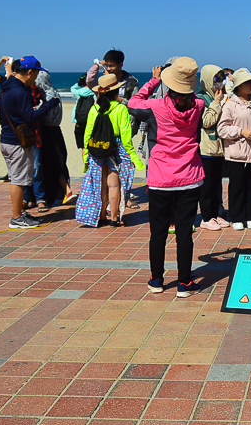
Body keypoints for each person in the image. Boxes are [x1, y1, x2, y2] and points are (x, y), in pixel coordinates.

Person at [128, 58, 204, 298]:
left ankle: (156, 279)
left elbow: (133, 103)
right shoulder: (199, 105)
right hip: (190, 176)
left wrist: (154, 80)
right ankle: (184, 283)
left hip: (161, 178)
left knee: (158, 232)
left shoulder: (155, 107)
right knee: (184, 233)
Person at [0, 56, 61, 229]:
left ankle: (19, 212)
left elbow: (1, 113)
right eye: (37, 73)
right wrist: (50, 104)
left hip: (6, 138)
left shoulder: (5, 87)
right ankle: (17, 217)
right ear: (30, 72)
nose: (37, 78)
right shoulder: (21, 91)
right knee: (18, 180)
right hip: (18, 142)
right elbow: (31, 117)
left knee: (15, 178)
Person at [76, 73, 144, 227]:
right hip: (115, 148)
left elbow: (88, 133)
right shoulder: (121, 109)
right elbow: (126, 137)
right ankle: (114, 218)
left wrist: (85, 152)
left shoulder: (95, 109)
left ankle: (101, 217)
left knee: (100, 185)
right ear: (116, 92)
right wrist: (133, 157)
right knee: (114, 185)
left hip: (96, 148)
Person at [217, 69, 251, 231]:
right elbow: (222, 129)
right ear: (239, 86)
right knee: (237, 187)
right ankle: (237, 217)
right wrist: (241, 132)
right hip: (236, 154)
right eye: (248, 83)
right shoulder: (230, 105)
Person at [196, 64, 229, 231]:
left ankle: (216, 215)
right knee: (207, 186)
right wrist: (216, 102)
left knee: (217, 185)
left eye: (221, 78)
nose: (219, 82)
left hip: (219, 148)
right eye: (216, 78)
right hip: (206, 148)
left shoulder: (221, 96)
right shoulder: (200, 99)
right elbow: (207, 121)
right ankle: (206, 217)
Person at [35, 71, 74, 207]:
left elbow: (44, 114)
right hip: (56, 130)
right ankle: (64, 191)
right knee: (59, 161)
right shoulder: (55, 91)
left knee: (52, 163)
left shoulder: (46, 95)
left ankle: (61, 193)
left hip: (47, 131)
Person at [71, 73, 95, 150]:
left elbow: (73, 88)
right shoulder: (94, 92)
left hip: (79, 120)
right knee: (91, 145)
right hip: (91, 121)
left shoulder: (78, 92)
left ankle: (85, 161)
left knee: (83, 147)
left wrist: (80, 82)